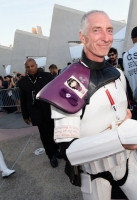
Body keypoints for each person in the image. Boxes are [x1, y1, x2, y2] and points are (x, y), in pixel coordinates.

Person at [37, 10, 137, 200]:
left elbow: (120, 112)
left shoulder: (118, 74)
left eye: (109, 30)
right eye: (97, 30)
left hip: (129, 163)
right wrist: (119, 138)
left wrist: (128, 117)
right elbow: (69, 150)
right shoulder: (66, 83)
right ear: (82, 37)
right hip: (95, 175)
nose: (106, 37)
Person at [18, 58, 61, 168]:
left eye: (32, 66)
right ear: (25, 68)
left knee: (55, 132)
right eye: (28, 67)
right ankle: (51, 156)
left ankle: (57, 150)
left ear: (36, 65)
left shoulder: (47, 76)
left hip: (50, 110)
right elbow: (23, 100)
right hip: (37, 113)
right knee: (45, 135)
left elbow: (56, 91)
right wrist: (25, 116)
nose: (30, 68)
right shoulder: (23, 82)